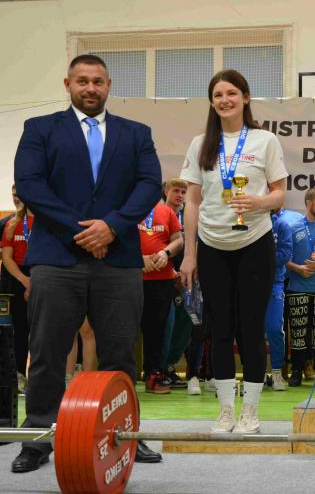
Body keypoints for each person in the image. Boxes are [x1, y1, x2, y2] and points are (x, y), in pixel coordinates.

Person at [12, 54, 163, 472]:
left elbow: (150, 184)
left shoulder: (136, 133)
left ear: (109, 85)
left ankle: (125, 433)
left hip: (118, 260)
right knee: (47, 351)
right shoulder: (40, 129)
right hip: (56, 259)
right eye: (82, 81)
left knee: (120, 354)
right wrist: (84, 231)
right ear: (68, 84)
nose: (90, 88)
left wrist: (111, 227)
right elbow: (30, 185)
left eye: (98, 81)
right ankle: (39, 437)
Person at [180, 69, 287, 433]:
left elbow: (279, 194)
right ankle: (226, 410)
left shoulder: (265, 140)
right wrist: (190, 253)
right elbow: (192, 202)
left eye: (231, 93)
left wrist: (258, 202)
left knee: (252, 329)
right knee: (220, 329)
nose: (224, 100)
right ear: (212, 102)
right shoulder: (200, 144)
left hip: (255, 242)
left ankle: (250, 412)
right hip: (212, 246)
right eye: (218, 95)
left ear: (245, 97)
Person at [286, 189, 315, 387]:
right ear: (308, 203)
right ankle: (296, 370)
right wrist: (298, 268)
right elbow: (283, 258)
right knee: (298, 333)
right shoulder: (292, 227)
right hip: (297, 287)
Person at [138, 200, 184, 394]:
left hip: (161, 279)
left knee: (157, 330)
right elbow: (118, 237)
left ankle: (153, 375)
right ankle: (122, 377)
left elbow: (178, 240)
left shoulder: (167, 212)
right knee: (125, 329)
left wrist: (166, 252)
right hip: (131, 277)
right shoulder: (128, 206)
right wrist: (137, 259)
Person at [159, 178, 191, 389]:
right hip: (163, 277)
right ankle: (159, 369)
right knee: (166, 324)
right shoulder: (158, 214)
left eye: (183, 192)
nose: (180, 195)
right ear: (166, 192)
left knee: (187, 322)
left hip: (186, 278)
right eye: (176, 191)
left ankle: (170, 365)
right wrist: (171, 272)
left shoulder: (189, 215)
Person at [265, 206, 300, 391]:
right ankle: (256, 373)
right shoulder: (250, 223)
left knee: (274, 328)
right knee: (253, 330)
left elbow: (286, 254)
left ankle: (277, 371)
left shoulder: (281, 226)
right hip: (251, 284)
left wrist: (260, 259)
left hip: (275, 283)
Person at [0, 199, 34, 393]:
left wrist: (36, 281)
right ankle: (20, 374)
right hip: (18, 278)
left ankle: (41, 377)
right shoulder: (12, 223)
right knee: (20, 329)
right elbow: (7, 257)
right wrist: (24, 281)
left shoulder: (47, 221)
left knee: (43, 330)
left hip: (43, 275)